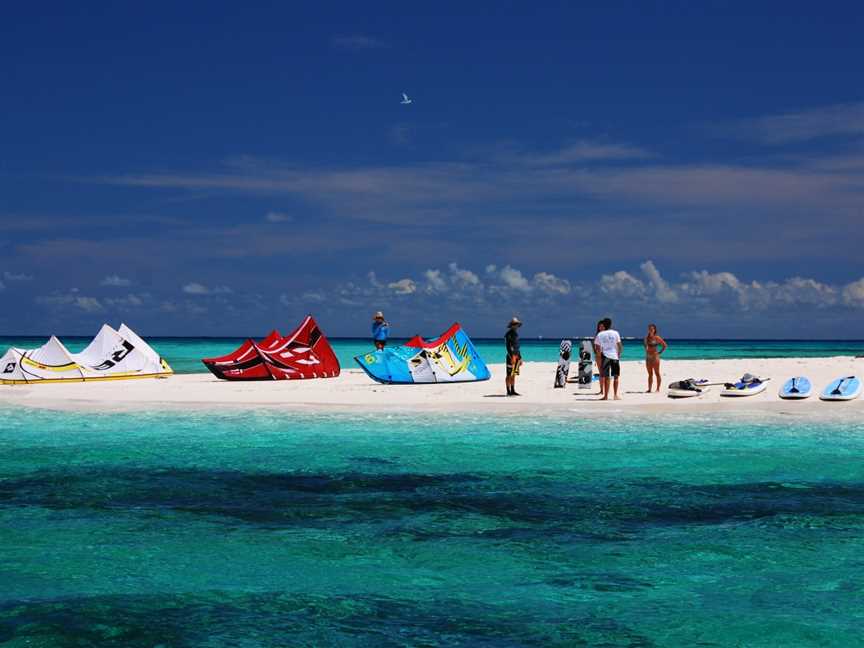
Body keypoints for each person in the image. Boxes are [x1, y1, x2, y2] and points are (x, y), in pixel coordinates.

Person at [595, 317, 623, 400]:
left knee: (606, 377)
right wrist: (618, 355)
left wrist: (599, 356)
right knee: (616, 376)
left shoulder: (600, 334)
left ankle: (606, 396)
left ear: (604, 325)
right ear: (610, 325)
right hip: (614, 356)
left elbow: (597, 348)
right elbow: (620, 346)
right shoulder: (615, 333)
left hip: (605, 356)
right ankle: (615, 395)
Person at [643, 323, 667, 393]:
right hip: (648, 358)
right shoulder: (646, 338)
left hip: (655, 357)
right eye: (649, 329)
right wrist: (647, 351)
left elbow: (664, 345)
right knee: (650, 374)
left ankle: (658, 389)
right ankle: (649, 389)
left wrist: (659, 353)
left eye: (652, 329)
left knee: (657, 373)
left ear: (654, 330)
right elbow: (645, 347)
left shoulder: (657, 338)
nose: (650, 330)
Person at [505, 317, 523, 396]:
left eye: (517, 324)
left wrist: (520, 357)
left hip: (517, 356)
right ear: (512, 325)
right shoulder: (508, 334)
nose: (516, 326)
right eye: (515, 324)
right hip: (511, 357)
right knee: (509, 374)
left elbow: (517, 347)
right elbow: (508, 347)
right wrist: (511, 356)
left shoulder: (516, 334)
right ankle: (508, 391)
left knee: (514, 374)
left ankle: (513, 390)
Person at [592, 320, 606, 396]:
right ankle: (601, 390)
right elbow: (595, 346)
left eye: (602, 326)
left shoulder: (607, 335)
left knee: (606, 373)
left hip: (606, 355)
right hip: (598, 356)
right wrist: (597, 353)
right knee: (601, 373)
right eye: (599, 326)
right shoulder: (597, 335)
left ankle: (604, 389)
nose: (601, 328)